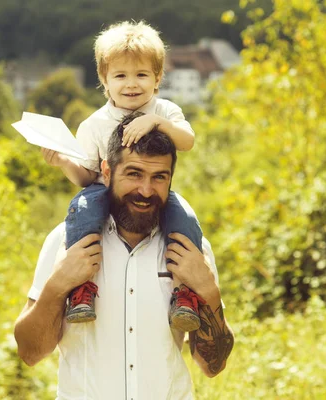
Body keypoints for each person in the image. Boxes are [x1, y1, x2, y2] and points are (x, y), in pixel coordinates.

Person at [15, 114, 234, 399]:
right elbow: (30, 353)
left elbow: (212, 366)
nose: (145, 190)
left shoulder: (191, 250)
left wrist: (208, 291)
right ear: (106, 172)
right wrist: (58, 285)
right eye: (133, 174)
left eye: (159, 177)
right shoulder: (66, 241)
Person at [41, 20, 204, 332]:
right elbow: (86, 176)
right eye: (121, 76)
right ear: (105, 80)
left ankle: (185, 294)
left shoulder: (164, 110)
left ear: (157, 79)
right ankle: (81, 289)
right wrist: (62, 161)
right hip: (103, 189)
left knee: (185, 218)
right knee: (83, 210)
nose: (132, 84)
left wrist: (156, 122)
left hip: (153, 189)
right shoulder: (95, 124)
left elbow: (188, 141)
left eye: (142, 75)